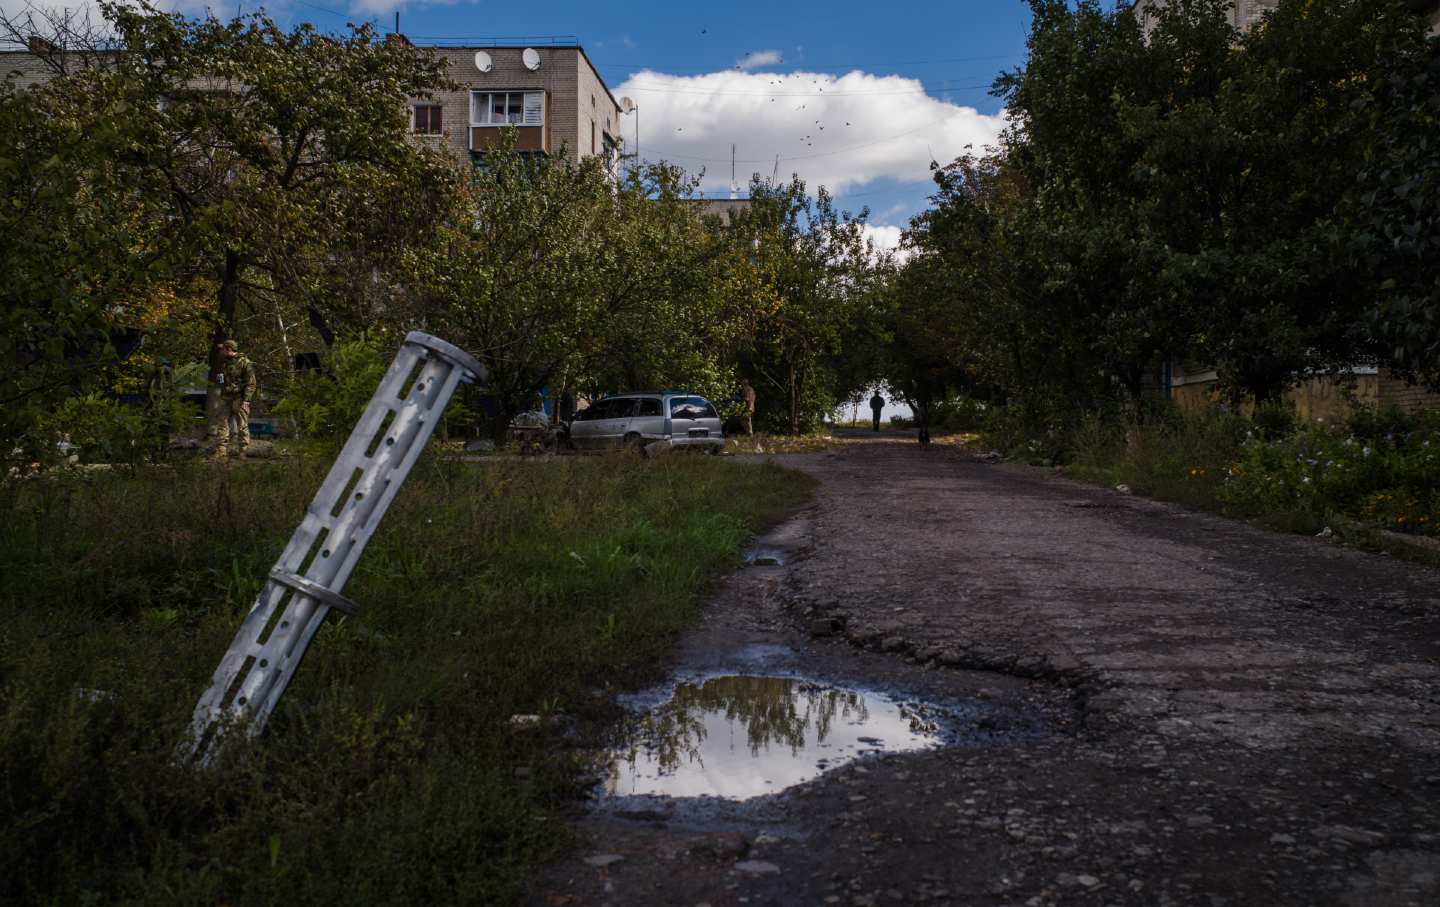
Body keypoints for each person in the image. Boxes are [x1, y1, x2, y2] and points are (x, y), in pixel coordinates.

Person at [209, 340, 256, 461]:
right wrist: (220, 381)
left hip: (239, 398)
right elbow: (221, 380)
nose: (221, 351)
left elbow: (251, 383)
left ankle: (243, 452)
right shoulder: (223, 362)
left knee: (242, 425)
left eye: (223, 349)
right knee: (222, 423)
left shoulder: (245, 362)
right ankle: (221, 452)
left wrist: (246, 401)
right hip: (226, 397)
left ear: (229, 349)